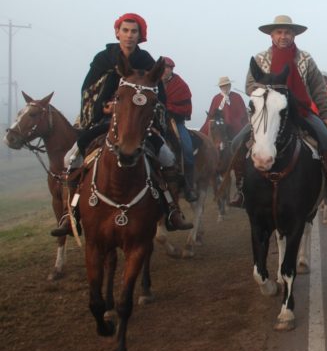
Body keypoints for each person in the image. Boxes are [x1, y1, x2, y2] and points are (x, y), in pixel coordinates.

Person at [53, 13, 192, 235]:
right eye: (125, 30)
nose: (129, 35)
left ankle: (172, 209)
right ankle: (70, 212)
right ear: (117, 32)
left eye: (134, 31)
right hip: (105, 121)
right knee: (71, 157)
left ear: (140, 35)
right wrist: (104, 108)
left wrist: (151, 118)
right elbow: (88, 91)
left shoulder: (147, 62)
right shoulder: (102, 60)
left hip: (139, 124)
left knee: (167, 157)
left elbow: (160, 98)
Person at [234, 14, 327, 206]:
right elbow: (250, 85)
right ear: (271, 35)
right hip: (269, 113)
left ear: (294, 36)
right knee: (236, 142)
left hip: (300, 111)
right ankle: (240, 188)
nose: (283, 36)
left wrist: (326, 115)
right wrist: (268, 93)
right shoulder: (260, 59)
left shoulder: (305, 58)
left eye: (287, 32)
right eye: (279, 32)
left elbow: (318, 87)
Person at [200, 76, 249, 205]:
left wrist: (235, 122)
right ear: (220, 87)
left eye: (227, 85)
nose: (225, 87)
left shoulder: (237, 97)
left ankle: (241, 183)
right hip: (219, 129)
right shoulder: (216, 99)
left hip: (234, 129)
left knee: (242, 149)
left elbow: (242, 114)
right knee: (204, 138)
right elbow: (211, 114)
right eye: (223, 86)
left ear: (230, 86)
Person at [162, 57, 198, 202]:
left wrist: (169, 108)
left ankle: (188, 187)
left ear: (172, 69)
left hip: (175, 122)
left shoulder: (180, 85)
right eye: (164, 67)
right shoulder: (152, 82)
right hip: (155, 122)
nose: (166, 70)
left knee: (187, 150)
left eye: (169, 68)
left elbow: (187, 108)